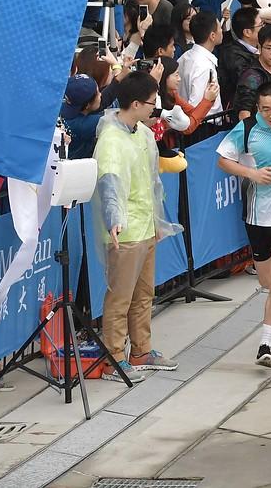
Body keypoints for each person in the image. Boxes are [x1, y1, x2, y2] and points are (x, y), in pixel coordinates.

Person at [93, 72, 181, 373]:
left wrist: (157, 220)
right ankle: (113, 358)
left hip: (145, 226)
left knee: (144, 295)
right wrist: (114, 220)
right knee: (120, 298)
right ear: (134, 103)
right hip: (126, 233)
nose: (155, 109)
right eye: (151, 103)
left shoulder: (142, 133)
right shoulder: (110, 140)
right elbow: (109, 183)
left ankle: (141, 351)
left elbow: (151, 181)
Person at [216, 81, 271, 368]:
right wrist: (250, 173)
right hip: (257, 216)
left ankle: (266, 344)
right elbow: (223, 160)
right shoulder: (249, 128)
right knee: (268, 281)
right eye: (266, 110)